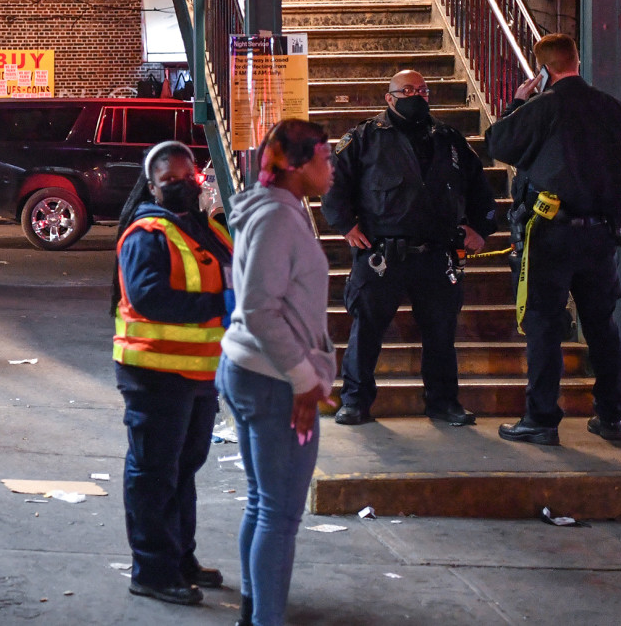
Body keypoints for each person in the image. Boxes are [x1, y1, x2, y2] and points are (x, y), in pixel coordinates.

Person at [486, 33, 621, 446]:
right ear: (576, 59)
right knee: (601, 325)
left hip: (550, 236)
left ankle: (542, 419)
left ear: (543, 70)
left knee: (544, 325)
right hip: (600, 237)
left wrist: (519, 101)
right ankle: (610, 414)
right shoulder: (614, 111)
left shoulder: (541, 108)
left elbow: (498, 143)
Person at [321, 69, 496, 427]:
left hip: (437, 254)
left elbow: (479, 185)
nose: (415, 95)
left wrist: (480, 228)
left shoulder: (448, 139)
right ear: (389, 97)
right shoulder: (365, 137)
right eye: (406, 90)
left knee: (441, 333)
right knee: (366, 331)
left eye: (422, 90)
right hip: (382, 254)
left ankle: (444, 403)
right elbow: (332, 183)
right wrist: (345, 224)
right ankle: (355, 401)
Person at [218, 119, 338, 626]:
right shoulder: (278, 218)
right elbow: (258, 308)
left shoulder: (280, 210)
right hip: (270, 379)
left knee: (265, 504)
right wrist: (303, 378)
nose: (331, 168)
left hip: (257, 372)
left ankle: (254, 609)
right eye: (325, 159)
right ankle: (265, 616)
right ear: (298, 164)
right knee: (279, 514)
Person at [112, 140, 233, 607]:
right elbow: (148, 297)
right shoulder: (148, 233)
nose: (184, 185)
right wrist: (217, 307)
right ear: (152, 186)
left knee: (183, 469)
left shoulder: (199, 229)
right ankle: (152, 570)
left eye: (190, 177)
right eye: (172, 180)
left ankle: (180, 557)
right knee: (154, 473)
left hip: (198, 374)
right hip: (154, 373)